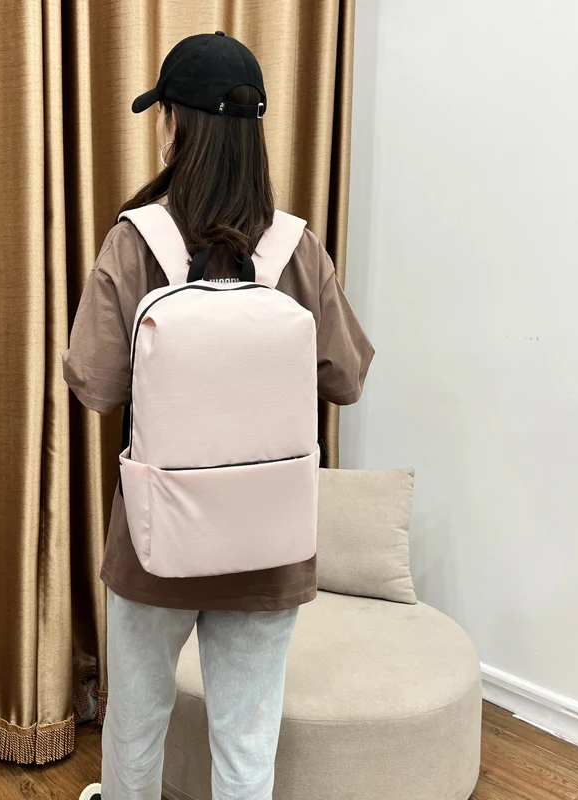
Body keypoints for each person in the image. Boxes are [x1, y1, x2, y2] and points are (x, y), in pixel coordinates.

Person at [64, 31, 374, 800]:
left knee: (136, 727)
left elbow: (94, 384)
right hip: (268, 542)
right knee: (245, 742)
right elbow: (346, 377)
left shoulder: (135, 241)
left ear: (174, 122)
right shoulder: (296, 247)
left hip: (156, 538)